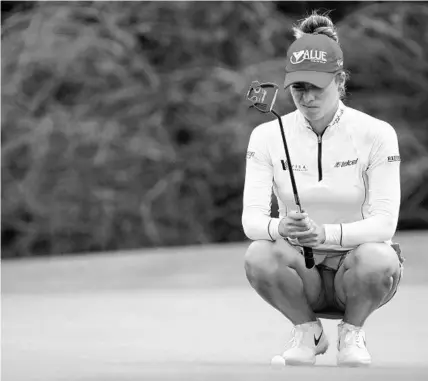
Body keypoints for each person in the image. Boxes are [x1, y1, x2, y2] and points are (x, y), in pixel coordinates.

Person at [242, 11, 404, 367]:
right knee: (258, 253)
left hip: (358, 273)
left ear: (340, 79)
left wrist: (324, 233)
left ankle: (352, 334)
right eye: (299, 87)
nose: (307, 97)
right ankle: (307, 332)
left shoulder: (375, 133)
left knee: (379, 256)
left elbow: (384, 224)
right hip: (302, 274)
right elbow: (252, 220)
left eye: (317, 86)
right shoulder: (268, 135)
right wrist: (279, 227)